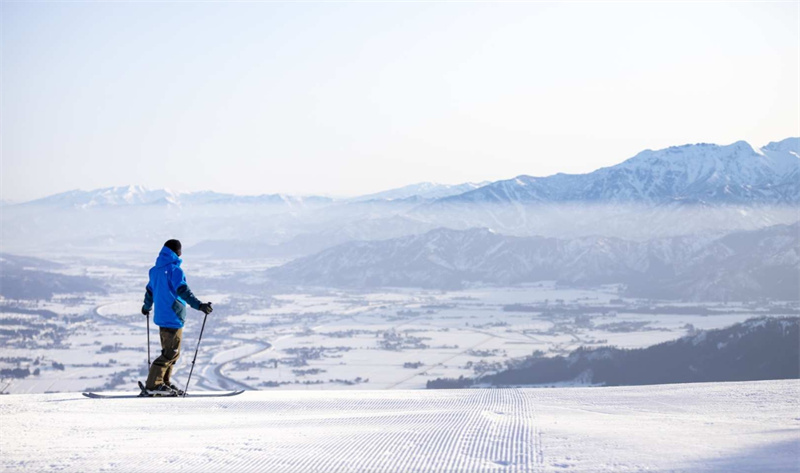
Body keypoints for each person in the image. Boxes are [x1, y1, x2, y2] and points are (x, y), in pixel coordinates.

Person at [141, 239, 213, 396]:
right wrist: (199, 305)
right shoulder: (175, 271)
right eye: (180, 250)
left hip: (162, 317)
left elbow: (150, 292)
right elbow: (184, 291)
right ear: (176, 252)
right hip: (173, 317)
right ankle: (153, 385)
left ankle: (163, 383)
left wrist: (146, 307)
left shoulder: (154, 271)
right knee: (170, 353)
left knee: (170, 352)